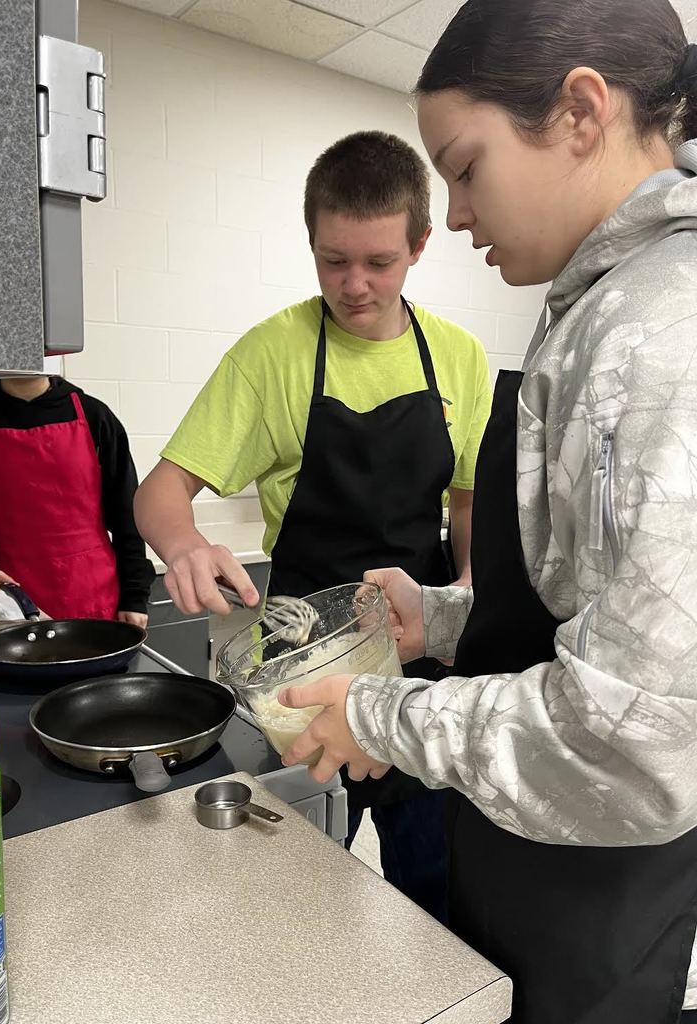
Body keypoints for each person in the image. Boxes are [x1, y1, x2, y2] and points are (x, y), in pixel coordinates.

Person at [276, 3, 697, 1022]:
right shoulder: (596, 304)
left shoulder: (657, 334)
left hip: (594, 885)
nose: (454, 214)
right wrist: (442, 615)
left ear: (581, 113)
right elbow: (588, 599)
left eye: (464, 167)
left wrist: (378, 713)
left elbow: (634, 740)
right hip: (526, 850)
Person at [134, 131, 492, 922]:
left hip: (418, 675)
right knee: (290, 898)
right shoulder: (274, 354)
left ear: (419, 246)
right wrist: (184, 543)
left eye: (378, 263)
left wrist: (465, 590)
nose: (355, 284)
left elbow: (465, 500)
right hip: (298, 676)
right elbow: (160, 492)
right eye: (334, 261)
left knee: (433, 894)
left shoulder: (460, 358)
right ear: (311, 243)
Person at [0, 375, 154, 625]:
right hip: (7, 595)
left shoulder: (94, 415)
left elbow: (128, 513)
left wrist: (134, 595)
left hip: (96, 594)